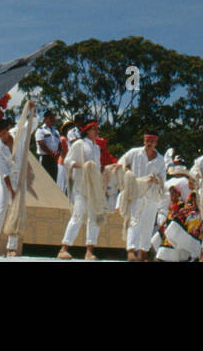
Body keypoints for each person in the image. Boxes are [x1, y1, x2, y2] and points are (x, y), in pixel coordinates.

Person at [58, 119, 109, 260]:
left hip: (94, 186)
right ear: (87, 130)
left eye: (97, 129)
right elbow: (68, 161)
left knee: (94, 217)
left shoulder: (97, 147)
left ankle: (89, 251)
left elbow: (98, 167)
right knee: (78, 215)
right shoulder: (79, 144)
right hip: (81, 185)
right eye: (94, 129)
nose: (96, 131)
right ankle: (64, 248)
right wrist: (83, 166)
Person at [118, 132, 166, 261]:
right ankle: (131, 250)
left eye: (152, 141)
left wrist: (156, 179)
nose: (149, 143)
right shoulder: (134, 152)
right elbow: (121, 163)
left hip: (152, 194)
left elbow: (163, 178)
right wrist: (128, 173)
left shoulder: (160, 159)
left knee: (149, 224)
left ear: (156, 143)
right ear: (144, 141)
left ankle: (143, 252)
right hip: (137, 192)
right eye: (147, 140)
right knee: (135, 221)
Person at [0, 118, 21, 257]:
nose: (3, 136)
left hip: (19, 177)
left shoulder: (17, 134)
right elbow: (4, 171)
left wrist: (32, 111)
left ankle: (11, 248)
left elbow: (29, 124)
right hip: (6, 180)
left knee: (16, 211)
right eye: (0, 134)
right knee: (1, 210)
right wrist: (10, 190)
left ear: (8, 129)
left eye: (5, 132)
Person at [35, 110, 63, 182]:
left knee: (54, 180)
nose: (53, 119)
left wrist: (58, 152)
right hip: (45, 158)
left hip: (54, 158)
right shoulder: (40, 130)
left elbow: (60, 144)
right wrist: (51, 153)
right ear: (45, 119)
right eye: (50, 118)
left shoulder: (56, 132)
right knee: (44, 180)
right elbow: (41, 144)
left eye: (53, 118)